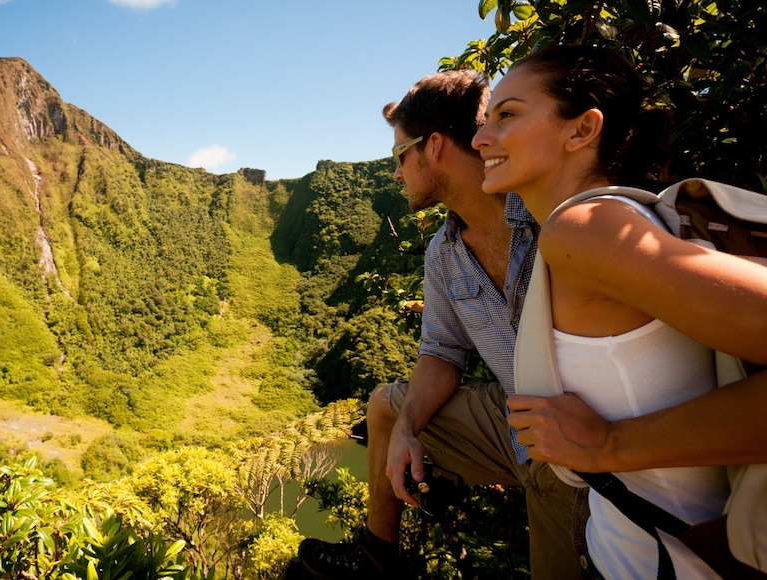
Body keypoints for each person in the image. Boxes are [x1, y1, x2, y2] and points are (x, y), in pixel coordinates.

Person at [471, 43, 767, 578]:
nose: (481, 138)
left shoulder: (587, 230)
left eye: (507, 115)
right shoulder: (607, 224)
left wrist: (609, 444)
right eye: (484, 119)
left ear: (582, 130)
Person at [297, 70, 589, 580]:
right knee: (387, 408)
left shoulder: (551, 216)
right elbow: (441, 352)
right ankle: (376, 559)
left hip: (585, 435)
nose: (394, 173)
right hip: (515, 417)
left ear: (434, 147)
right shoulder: (443, 253)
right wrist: (407, 429)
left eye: (398, 155)